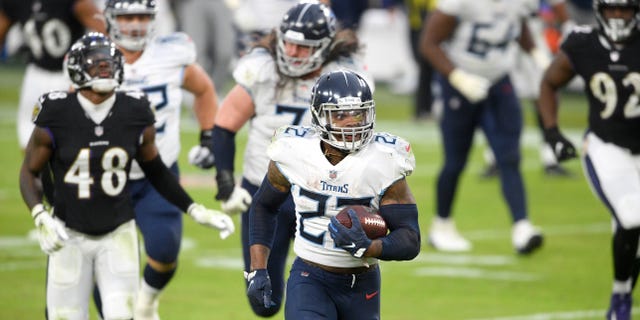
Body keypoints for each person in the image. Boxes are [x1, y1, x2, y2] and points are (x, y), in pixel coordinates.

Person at [18, 32, 234, 320]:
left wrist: (194, 209)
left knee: (123, 315)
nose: (105, 69)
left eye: (109, 63)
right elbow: (30, 171)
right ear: (77, 69)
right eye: (96, 64)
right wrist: (40, 214)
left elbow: (156, 170)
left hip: (118, 233)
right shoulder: (56, 112)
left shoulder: (135, 110)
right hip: (68, 232)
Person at [211, 1, 373, 317]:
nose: (293, 52)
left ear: (325, 46)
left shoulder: (345, 76)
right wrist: (226, 182)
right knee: (265, 301)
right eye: (289, 43)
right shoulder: (262, 68)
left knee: (330, 282)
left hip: (321, 195)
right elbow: (225, 124)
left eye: (304, 46)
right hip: (266, 189)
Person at [246, 69, 421, 319]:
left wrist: (371, 247)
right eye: (340, 115)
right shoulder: (293, 151)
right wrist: (258, 269)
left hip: (363, 284)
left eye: (359, 113)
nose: (352, 122)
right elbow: (264, 206)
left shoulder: (385, 159)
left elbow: (410, 238)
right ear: (319, 117)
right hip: (309, 277)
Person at [95, 0, 224, 318]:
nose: (136, 24)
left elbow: (204, 89)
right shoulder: (93, 56)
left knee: (165, 251)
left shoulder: (171, 53)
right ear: (111, 20)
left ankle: (146, 302)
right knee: (104, 261)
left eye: (142, 16)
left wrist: (208, 135)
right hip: (106, 176)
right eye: (127, 17)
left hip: (159, 174)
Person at [538, 0, 640, 317]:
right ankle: (621, 296)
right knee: (632, 216)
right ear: (600, 11)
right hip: (606, 147)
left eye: (626, 9)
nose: (619, 15)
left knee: (631, 227)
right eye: (613, 9)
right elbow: (549, 82)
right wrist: (553, 133)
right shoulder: (584, 43)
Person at [420, 0, 544, 254]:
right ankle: (441, 224)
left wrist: (537, 54)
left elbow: (518, 26)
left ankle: (522, 227)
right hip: (460, 81)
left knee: (508, 156)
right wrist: (457, 77)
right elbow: (428, 43)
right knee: (455, 160)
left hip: (499, 82)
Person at [480, 0, 574, 178]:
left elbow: (557, 3)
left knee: (546, 92)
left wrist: (568, 26)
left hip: (532, 32)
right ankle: (495, 157)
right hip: (501, 32)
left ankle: (551, 156)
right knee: (497, 95)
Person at [0, 0, 105, 150]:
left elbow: (106, 31)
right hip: (35, 74)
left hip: (71, 75)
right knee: (29, 142)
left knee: (75, 143)